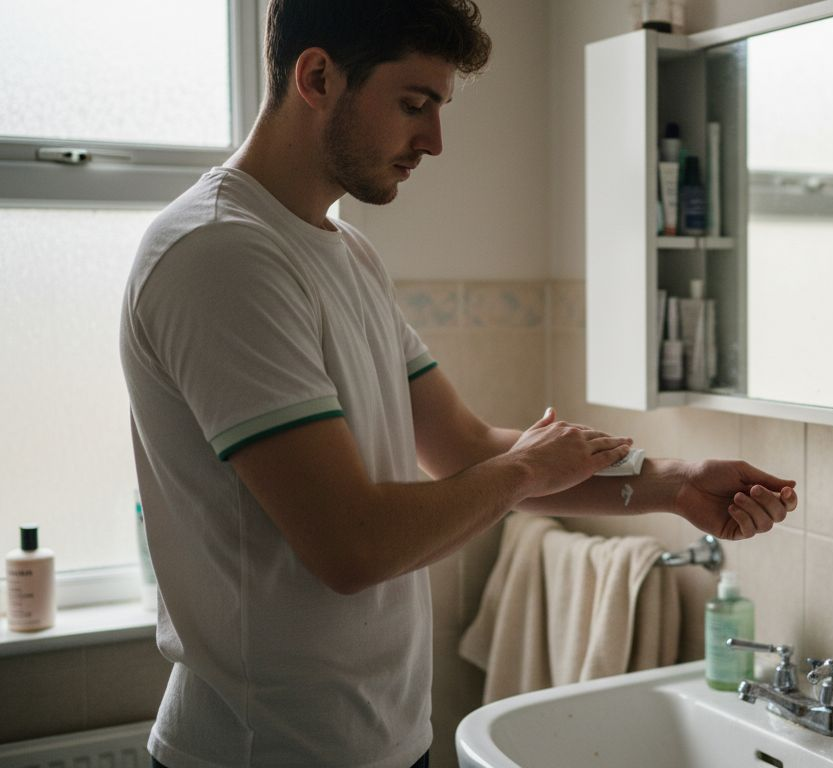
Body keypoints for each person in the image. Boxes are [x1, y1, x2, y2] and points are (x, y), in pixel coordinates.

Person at [118, 1, 796, 766]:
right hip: (261, 750)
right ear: (316, 76)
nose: (434, 142)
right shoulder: (221, 253)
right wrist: (523, 469)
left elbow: (467, 448)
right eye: (415, 104)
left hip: (384, 739)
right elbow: (352, 545)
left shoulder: (346, 254)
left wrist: (674, 483)